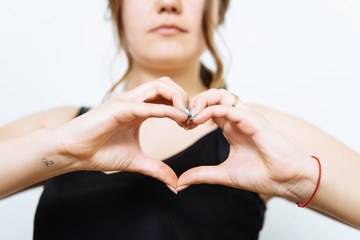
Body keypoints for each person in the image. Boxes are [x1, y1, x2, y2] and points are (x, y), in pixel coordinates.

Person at [0, 0, 359, 238]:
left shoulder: (265, 135)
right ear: (117, 9)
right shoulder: (58, 128)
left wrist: (300, 178)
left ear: (217, 10)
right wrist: (60, 151)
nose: (168, 4)